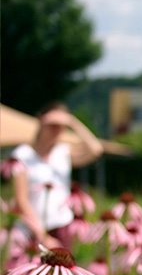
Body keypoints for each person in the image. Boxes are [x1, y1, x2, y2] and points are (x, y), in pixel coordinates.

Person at [11, 102, 104, 249]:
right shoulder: (22, 155)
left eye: (61, 126)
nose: (57, 130)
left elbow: (95, 149)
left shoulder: (63, 152)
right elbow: (21, 199)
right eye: (53, 125)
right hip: (30, 228)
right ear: (42, 121)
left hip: (61, 224)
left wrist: (72, 122)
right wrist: (41, 235)